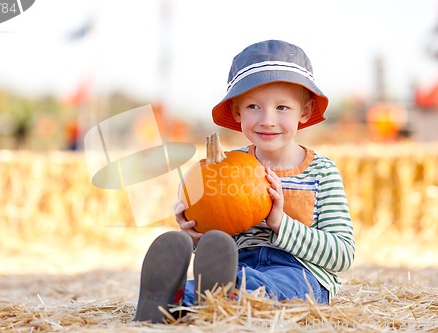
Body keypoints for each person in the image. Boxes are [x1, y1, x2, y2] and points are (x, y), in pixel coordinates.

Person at [134, 40, 355, 323]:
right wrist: (196, 235)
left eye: (282, 108)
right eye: (253, 106)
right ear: (237, 113)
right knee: (231, 280)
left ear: (305, 112)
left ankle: (205, 301)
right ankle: (167, 302)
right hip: (239, 264)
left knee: (267, 289)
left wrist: (281, 224)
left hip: (300, 272)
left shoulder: (322, 172)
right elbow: (220, 236)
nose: (267, 120)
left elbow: (342, 255)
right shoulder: (223, 167)